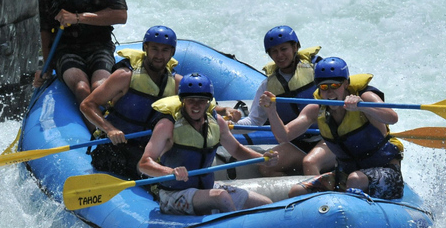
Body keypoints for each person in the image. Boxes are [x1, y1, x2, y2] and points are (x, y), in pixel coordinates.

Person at [260, 57, 405, 200]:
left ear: (346, 84)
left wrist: (364, 107)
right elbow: (283, 136)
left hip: (386, 172)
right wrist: (271, 111)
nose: (329, 93)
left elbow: (392, 118)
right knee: (297, 191)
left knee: (355, 180)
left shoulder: (365, 97)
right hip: (346, 175)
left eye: (335, 86)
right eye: (324, 87)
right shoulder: (316, 109)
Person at [138, 73, 278, 215]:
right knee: (221, 197)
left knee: (264, 203)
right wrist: (170, 172)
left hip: (206, 190)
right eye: (191, 100)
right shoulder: (167, 125)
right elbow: (143, 164)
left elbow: (237, 150)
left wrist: (262, 160)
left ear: (208, 102)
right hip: (173, 195)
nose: (196, 105)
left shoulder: (217, 122)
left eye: (201, 100)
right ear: (182, 101)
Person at [80, 25, 181, 180]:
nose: (159, 55)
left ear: (172, 52)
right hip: (114, 148)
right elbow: (87, 105)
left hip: (148, 152)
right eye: (155, 49)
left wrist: (224, 111)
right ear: (145, 48)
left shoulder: (176, 82)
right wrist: (110, 129)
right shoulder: (125, 76)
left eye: (165, 50)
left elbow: (199, 104)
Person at [236, 25, 335, 177]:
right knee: (266, 167)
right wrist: (227, 126)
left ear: (295, 47)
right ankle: (296, 190)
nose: (279, 55)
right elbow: (254, 121)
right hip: (298, 142)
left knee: (310, 162)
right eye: (274, 51)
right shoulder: (267, 86)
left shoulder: (318, 71)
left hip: (328, 137)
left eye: (284, 49)